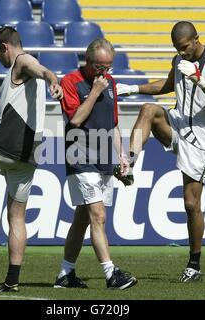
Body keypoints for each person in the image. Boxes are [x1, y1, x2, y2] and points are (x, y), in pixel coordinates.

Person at [116, 21, 205, 282]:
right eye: (177, 50)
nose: (181, 54)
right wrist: (132, 89)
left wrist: (200, 80)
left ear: (195, 39)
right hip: (178, 123)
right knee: (148, 110)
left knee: (191, 204)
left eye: (184, 48)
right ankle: (128, 166)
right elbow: (168, 85)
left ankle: (194, 265)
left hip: (201, 140)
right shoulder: (180, 59)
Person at [0, 26, 63, 292]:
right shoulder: (15, 79)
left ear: (5, 47)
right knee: (16, 217)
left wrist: (52, 79)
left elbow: (39, 68)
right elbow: (2, 109)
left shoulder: (21, 61)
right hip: (28, 157)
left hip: (4, 149)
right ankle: (12, 280)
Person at [54, 38, 137, 289]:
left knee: (83, 218)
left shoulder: (110, 83)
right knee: (98, 215)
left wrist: (122, 156)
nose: (105, 72)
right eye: (100, 67)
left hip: (103, 160)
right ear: (87, 62)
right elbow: (76, 119)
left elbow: (112, 125)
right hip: (79, 157)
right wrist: (96, 92)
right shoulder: (70, 82)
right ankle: (111, 274)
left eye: (108, 67)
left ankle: (64, 275)